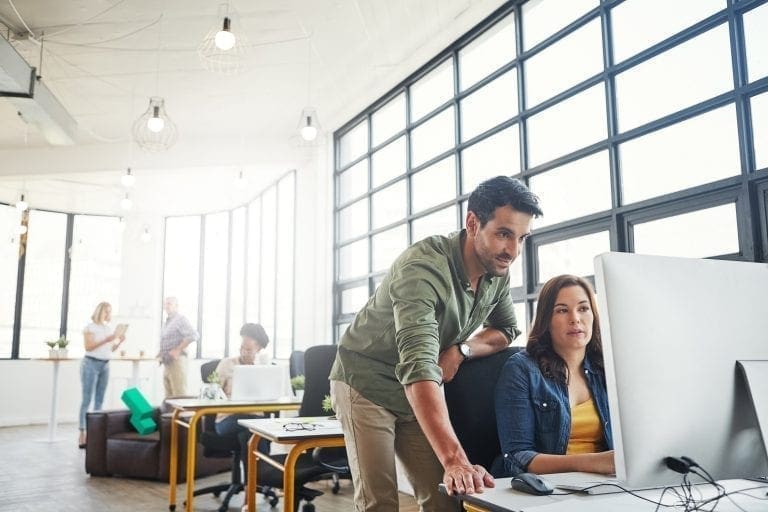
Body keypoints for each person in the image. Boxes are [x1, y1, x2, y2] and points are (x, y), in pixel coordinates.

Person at [329, 175, 543, 511]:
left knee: (446, 499)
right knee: (380, 503)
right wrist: (456, 459)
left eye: (521, 238)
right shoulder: (422, 269)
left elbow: (505, 330)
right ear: (473, 223)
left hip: (419, 390)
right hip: (366, 382)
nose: (513, 251)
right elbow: (419, 367)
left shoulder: (495, 271)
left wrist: (462, 350)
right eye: (504, 234)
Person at [494, 274, 614, 477]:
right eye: (562, 310)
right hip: (548, 488)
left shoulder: (607, 369)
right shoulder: (522, 369)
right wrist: (594, 462)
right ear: (546, 320)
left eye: (583, 309)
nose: (575, 318)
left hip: (605, 483)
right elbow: (518, 457)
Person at [214, 323, 271, 512]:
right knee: (253, 431)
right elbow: (213, 395)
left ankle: (250, 493)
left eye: (249, 349)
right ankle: (250, 496)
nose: (244, 351)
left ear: (259, 349)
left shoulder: (265, 368)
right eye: (242, 347)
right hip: (227, 419)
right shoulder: (227, 364)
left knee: (250, 433)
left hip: (254, 421)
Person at [78, 301, 125, 448]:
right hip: (90, 364)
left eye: (110, 312)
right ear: (100, 312)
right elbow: (88, 347)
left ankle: (94, 434)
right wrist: (107, 339)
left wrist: (119, 342)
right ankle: (82, 434)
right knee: (87, 400)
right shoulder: (89, 328)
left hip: (105, 365)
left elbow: (109, 349)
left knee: (100, 400)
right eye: (107, 311)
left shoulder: (108, 328)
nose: (109, 314)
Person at [158, 296, 199, 397]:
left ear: (176, 306)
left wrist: (178, 349)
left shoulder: (180, 319)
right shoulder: (167, 322)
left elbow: (194, 335)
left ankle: (181, 414)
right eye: (165, 304)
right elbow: (167, 341)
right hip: (166, 362)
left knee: (179, 395)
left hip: (177, 362)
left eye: (170, 304)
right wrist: (160, 354)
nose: (167, 306)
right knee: (168, 397)